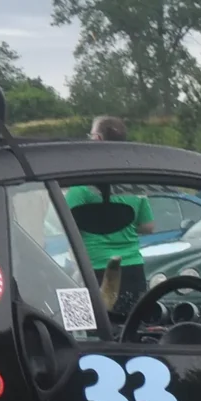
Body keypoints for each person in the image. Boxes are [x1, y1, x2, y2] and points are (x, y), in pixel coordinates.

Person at [66, 116, 155, 322]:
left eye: (90, 135)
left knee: (90, 330)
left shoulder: (84, 183)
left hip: (94, 270)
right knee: (133, 330)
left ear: (97, 138)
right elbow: (148, 226)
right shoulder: (133, 182)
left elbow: (66, 226)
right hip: (133, 269)